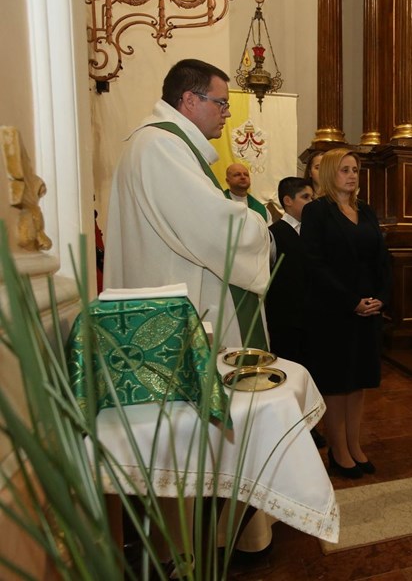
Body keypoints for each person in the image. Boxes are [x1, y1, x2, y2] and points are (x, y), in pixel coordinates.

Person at [105, 58, 270, 350]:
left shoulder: (159, 142)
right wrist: (261, 229)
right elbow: (212, 227)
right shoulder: (160, 145)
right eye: (221, 103)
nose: (227, 113)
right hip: (173, 309)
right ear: (190, 100)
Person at [299, 148, 391, 479]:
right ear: (328, 173)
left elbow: (382, 258)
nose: (352, 175)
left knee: (359, 381)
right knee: (337, 384)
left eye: (355, 169)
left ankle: (355, 445)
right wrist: (351, 300)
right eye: (344, 170)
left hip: (368, 309)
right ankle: (338, 452)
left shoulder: (365, 210)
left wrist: (381, 298)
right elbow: (314, 264)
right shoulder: (316, 211)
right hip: (333, 311)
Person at [266, 177, 315, 363]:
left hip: (312, 315)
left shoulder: (314, 231)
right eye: (305, 197)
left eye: (312, 198)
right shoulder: (272, 233)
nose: (311, 202)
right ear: (288, 200)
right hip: (285, 318)